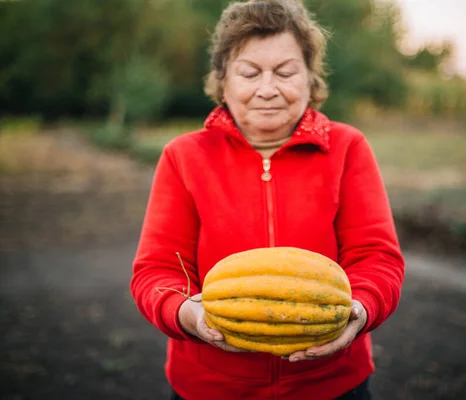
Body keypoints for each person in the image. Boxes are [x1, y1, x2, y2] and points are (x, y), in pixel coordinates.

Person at [130, 0, 405, 399]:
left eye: (286, 71)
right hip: (211, 387)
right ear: (223, 81)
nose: (267, 89)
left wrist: (359, 311)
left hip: (331, 385)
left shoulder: (348, 148)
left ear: (310, 78)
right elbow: (156, 271)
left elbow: (377, 257)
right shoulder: (183, 157)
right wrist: (189, 315)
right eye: (249, 72)